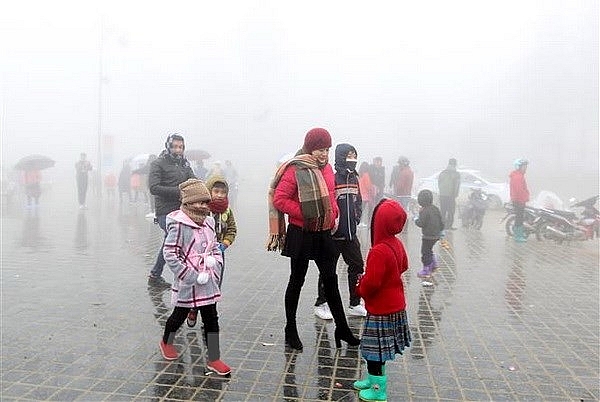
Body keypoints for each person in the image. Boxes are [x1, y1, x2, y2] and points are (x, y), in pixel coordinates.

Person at [267, 127, 360, 351]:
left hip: (323, 232)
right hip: (301, 233)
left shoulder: (327, 168)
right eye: (320, 149)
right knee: (296, 281)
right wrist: (306, 212)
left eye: (327, 149)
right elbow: (280, 199)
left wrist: (334, 212)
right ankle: (290, 329)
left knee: (331, 280)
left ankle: (342, 328)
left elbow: (331, 195)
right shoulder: (295, 168)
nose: (324, 154)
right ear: (310, 148)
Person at [158, 178, 230, 376]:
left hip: (207, 279)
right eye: (200, 202)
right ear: (189, 202)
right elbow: (170, 253)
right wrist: (189, 275)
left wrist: (215, 263)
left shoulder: (208, 221)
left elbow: (214, 246)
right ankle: (166, 341)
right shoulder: (178, 224)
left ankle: (214, 358)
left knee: (212, 319)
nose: (204, 206)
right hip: (188, 281)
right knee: (178, 316)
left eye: (206, 202)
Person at [353, 198, 411, 401]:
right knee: (379, 351)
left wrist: (360, 286)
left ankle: (378, 391)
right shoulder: (396, 243)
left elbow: (372, 283)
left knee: (373, 353)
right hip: (395, 306)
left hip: (381, 311)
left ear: (378, 223)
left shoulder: (378, 250)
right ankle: (372, 381)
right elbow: (404, 266)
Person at [314, 143, 367, 320]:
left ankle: (355, 303)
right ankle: (321, 304)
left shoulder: (354, 179)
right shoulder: (333, 178)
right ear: (341, 157)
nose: (352, 159)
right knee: (328, 270)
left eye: (354, 155)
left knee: (357, 266)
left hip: (351, 235)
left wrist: (356, 219)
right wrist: (333, 224)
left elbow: (358, 202)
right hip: (333, 235)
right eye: (349, 155)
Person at [187, 174, 237, 328]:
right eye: (216, 191)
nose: (220, 195)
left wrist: (225, 244)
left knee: (214, 284)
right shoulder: (202, 209)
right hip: (200, 254)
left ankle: (209, 317)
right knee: (199, 282)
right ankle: (194, 308)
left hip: (217, 255)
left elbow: (232, 229)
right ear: (209, 191)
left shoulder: (227, 211)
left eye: (223, 192)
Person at [148, 133, 196, 287]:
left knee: (173, 240)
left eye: (181, 147)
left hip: (182, 209)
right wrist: (178, 192)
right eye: (175, 147)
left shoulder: (184, 164)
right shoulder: (158, 163)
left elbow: (193, 180)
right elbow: (154, 187)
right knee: (174, 238)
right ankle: (178, 275)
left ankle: (156, 274)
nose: (178, 150)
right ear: (168, 146)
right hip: (165, 210)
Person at [413, 189, 444, 279]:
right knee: (429, 249)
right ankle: (434, 264)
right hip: (436, 235)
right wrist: (441, 231)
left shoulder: (424, 211)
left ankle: (426, 270)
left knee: (425, 252)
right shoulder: (435, 208)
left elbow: (421, 223)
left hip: (428, 236)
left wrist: (416, 219)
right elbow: (441, 220)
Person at [509, 159, 530, 243]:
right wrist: (524, 199)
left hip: (519, 200)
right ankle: (518, 236)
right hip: (519, 201)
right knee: (519, 218)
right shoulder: (518, 177)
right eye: (524, 166)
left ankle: (518, 234)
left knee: (519, 217)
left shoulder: (519, 175)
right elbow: (519, 191)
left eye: (526, 166)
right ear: (518, 167)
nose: (525, 168)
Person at [437, 158, 460, 230]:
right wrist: (455, 194)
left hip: (442, 195)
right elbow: (457, 185)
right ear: (455, 164)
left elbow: (439, 183)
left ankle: (441, 225)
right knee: (451, 211)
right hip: (451, 195)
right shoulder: (456, 174)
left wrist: (441, 191)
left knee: (443, 210)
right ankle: (449, 226)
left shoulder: (443, 173)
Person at [357, 162, 374, 227]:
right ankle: (363, 222)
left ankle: (359, 222)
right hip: (366, 195)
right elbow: (368, 186)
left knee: (361, 209)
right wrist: (372, 189)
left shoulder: (359, 175)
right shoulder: (366, 175)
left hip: (360, 194)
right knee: (366, 210)